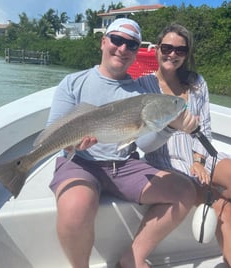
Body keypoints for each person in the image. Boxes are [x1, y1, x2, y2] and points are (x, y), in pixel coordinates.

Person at [47, 18, 198, 268]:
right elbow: (54, 133)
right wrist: (72, 145)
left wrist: (170, 126)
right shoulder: (73, 83)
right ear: (103, 42)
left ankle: (131, 259)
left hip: (124, 165)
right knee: (76, 207)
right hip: (81, 163)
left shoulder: (141, 92)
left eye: (131, 44)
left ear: (137, 51)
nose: (123, 49)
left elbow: (146, 144)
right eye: (117, 40)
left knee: (184, 192)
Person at [137, 23, 231, 267]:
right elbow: (142, 138)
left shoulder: (197, 83)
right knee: (223, 207)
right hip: (166, 160)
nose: (173, 54)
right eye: (167, 48)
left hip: (203, 155)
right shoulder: (142, 86)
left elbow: (206, 129)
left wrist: (199, 161)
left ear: (187, 54)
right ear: (157, 49)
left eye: (180, 50)